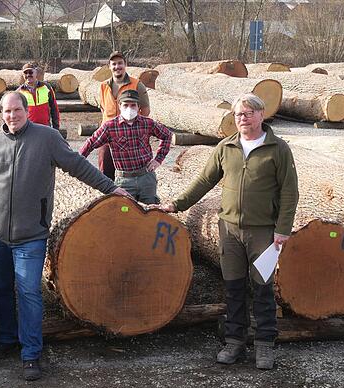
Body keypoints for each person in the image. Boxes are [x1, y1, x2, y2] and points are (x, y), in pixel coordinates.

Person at [0, 91, 131, 381]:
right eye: (7, 111)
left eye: (17, 110)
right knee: (2, 288)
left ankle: (30, 353)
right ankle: (7, 339)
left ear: (27, 111)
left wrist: (110, 188)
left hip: (31, 234)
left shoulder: (47, 139)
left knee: (29, 291)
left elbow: (78, 166)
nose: (12, 116)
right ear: (1, 114)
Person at [154, 94, 299, 370]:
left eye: (247, 114)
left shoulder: (278, 149)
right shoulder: (226, 147)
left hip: (263, 233)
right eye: (238, 115)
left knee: (263, 290)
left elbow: (290, 192)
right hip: (229, 230)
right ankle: (234, 342)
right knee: (233, 288)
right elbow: (205, 180)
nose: (242, 119)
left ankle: (265, 345)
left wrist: (282, 230)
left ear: (261, 115)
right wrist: (177, 203)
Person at [79, 89, 171, 204]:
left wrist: (158, 159)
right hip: (124, 180)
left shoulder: (148, 123)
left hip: (146, 177)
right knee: (124, 213)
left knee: (150, 212)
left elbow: (167, 135)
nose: (129, 108)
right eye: (126, 105)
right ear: (120, 106)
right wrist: (77, 161)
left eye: (133, 105)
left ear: (138, 107)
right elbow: (91, 143)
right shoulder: (110, 127)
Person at [96, 51, 151, 180]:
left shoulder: (137, 84)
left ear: (125, 64)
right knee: (105, 167)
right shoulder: (103, 86)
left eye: (120, 63)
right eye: (114, 64)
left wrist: (136, 128)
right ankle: (108, 197)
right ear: (109, 66)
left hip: (129, 134)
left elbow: (145, 110)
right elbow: (103, 109)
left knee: (130, 171)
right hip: (108, 133)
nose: (117, 67)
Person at [16, 62, 60, 129]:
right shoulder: (19, 92)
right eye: (25, 73)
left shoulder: (47, 87)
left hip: (45, 128)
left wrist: (56, 128)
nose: (28, 75)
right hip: (27, 130)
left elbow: (54, 109)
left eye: (30, 72)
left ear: (36, 73)